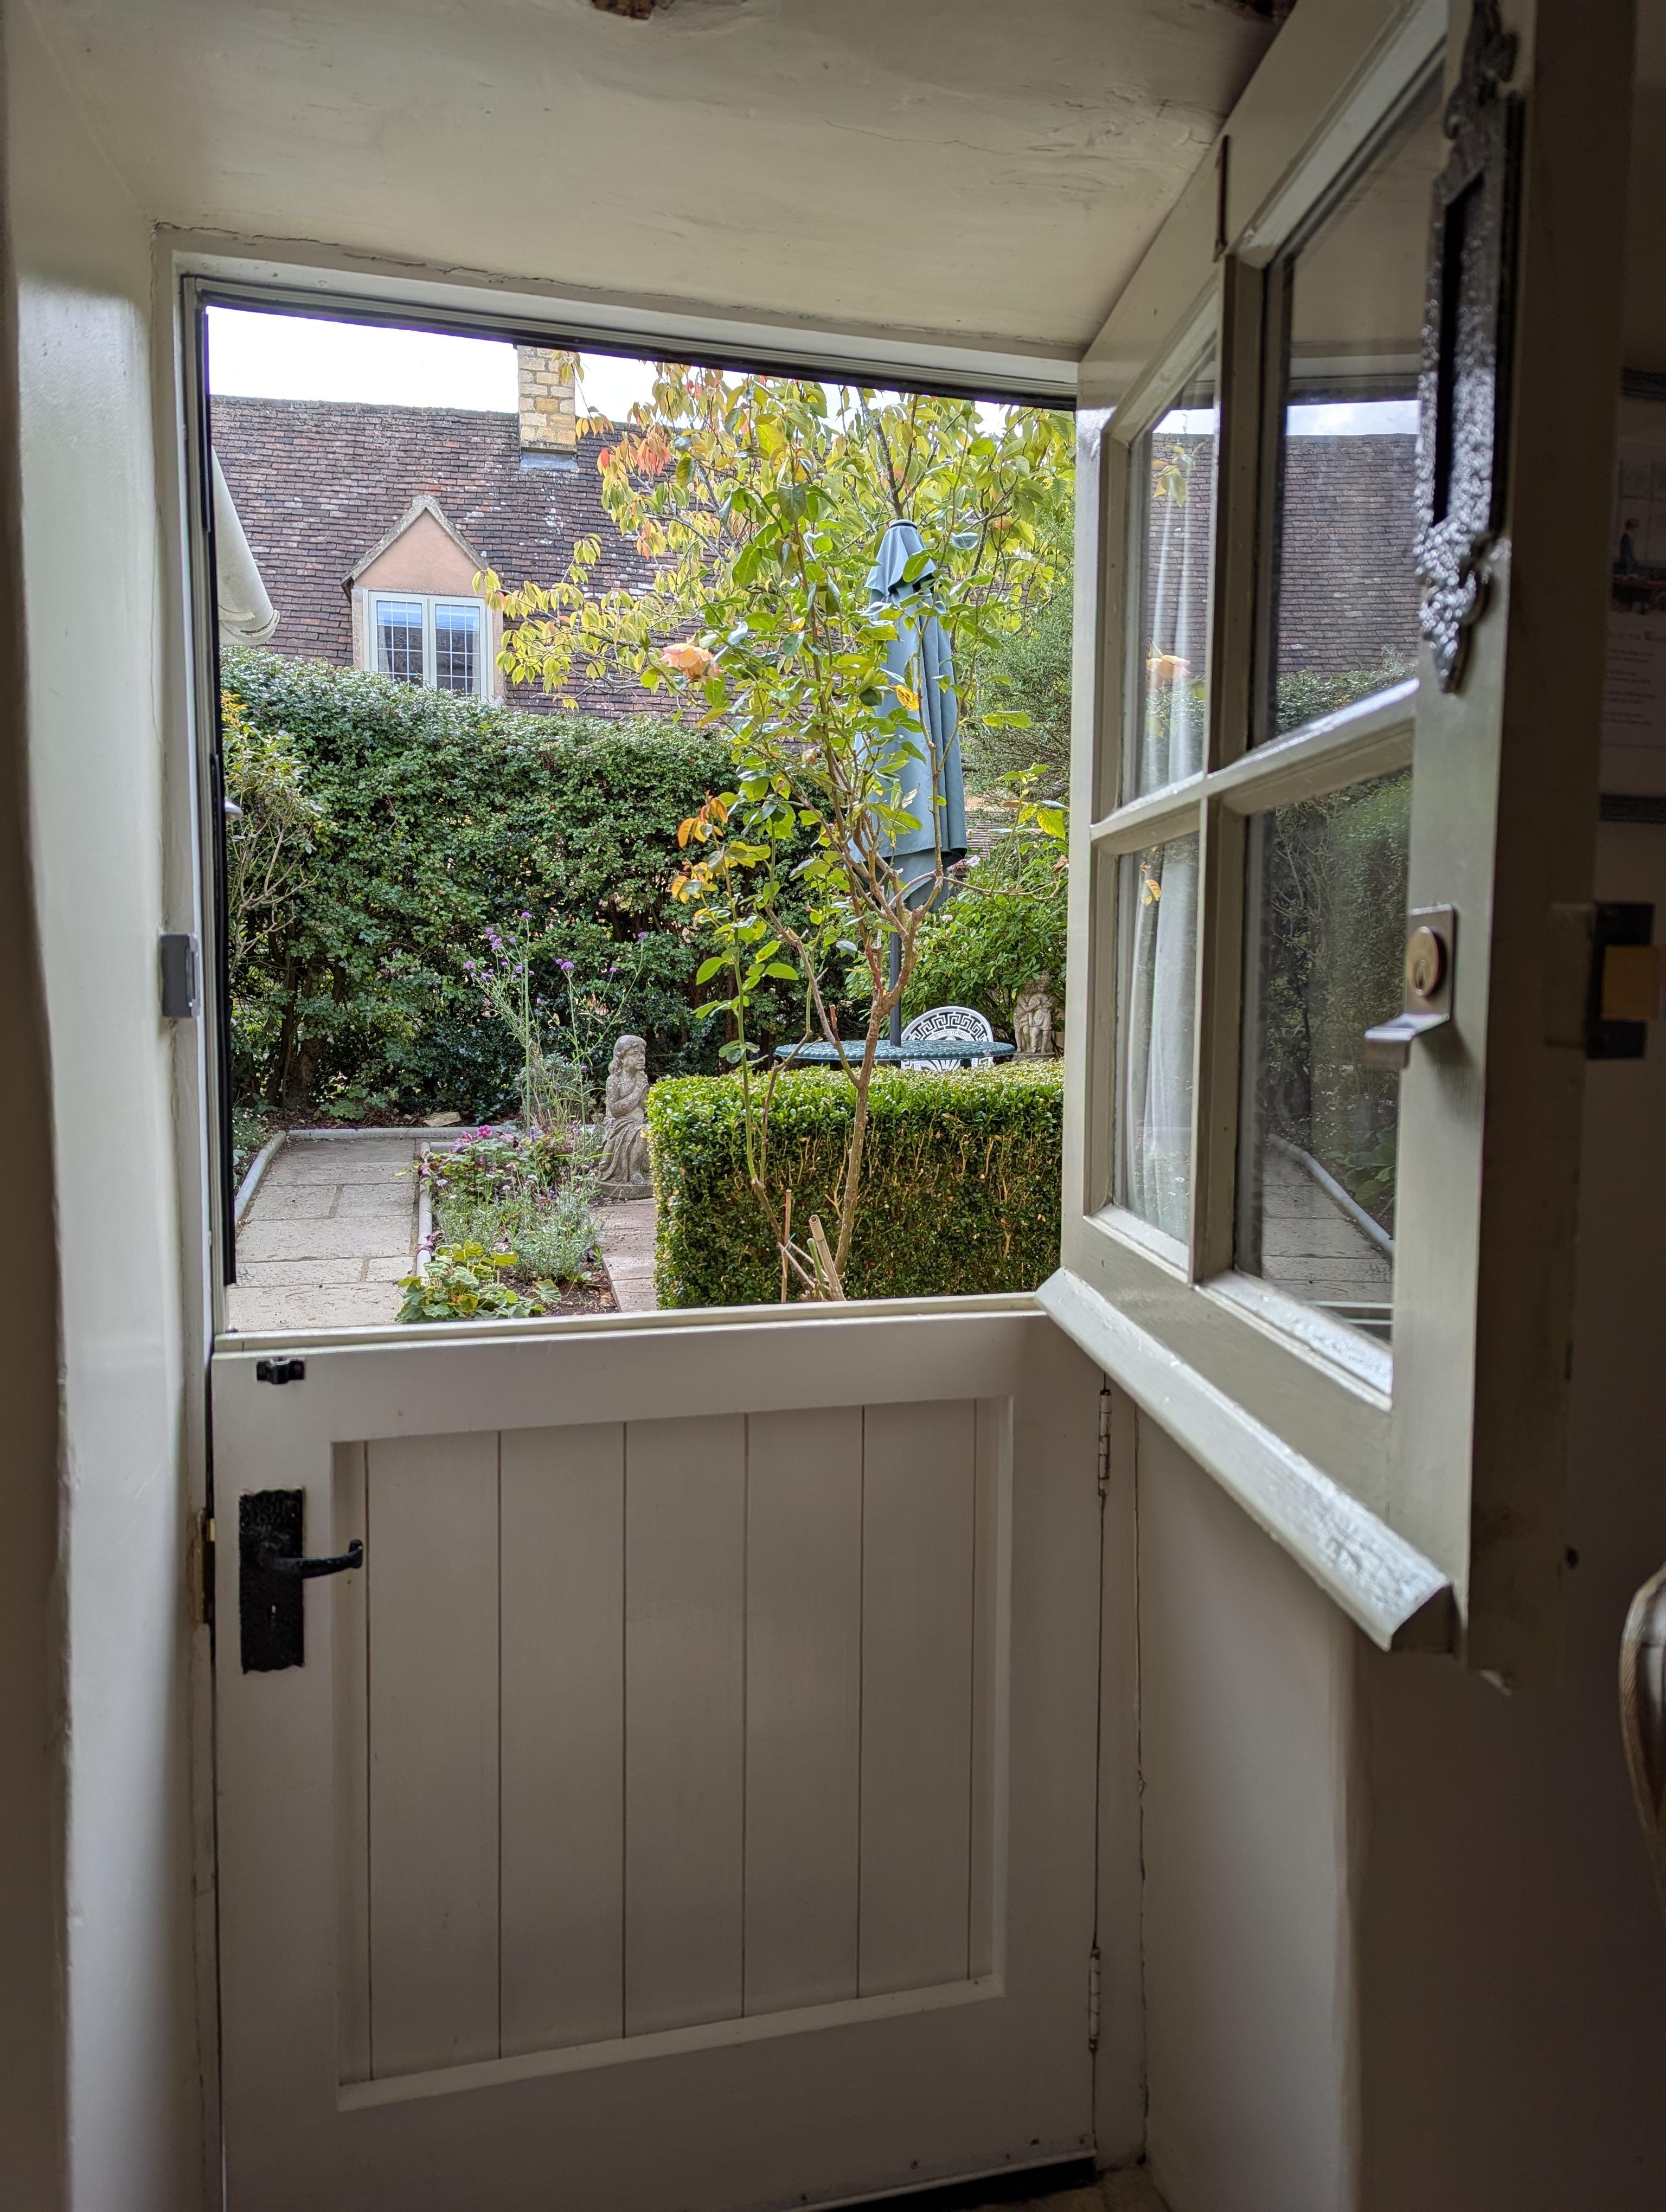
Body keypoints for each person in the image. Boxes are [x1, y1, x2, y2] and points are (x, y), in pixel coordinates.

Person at [598, 1034, 652, 1195]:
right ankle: (634, 1173)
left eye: (642, 1054)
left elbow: (646, 1107)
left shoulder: (641, 1078)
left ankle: (641, 1168)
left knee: (647, 1130)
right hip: (618, 1123)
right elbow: (615, 1109)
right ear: (622, 1058)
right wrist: (636, 1094)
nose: (641, 1058)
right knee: (642, 1132)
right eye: (634, 1054)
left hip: (637, 1122)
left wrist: (644, 1096)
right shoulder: (614, 1080)